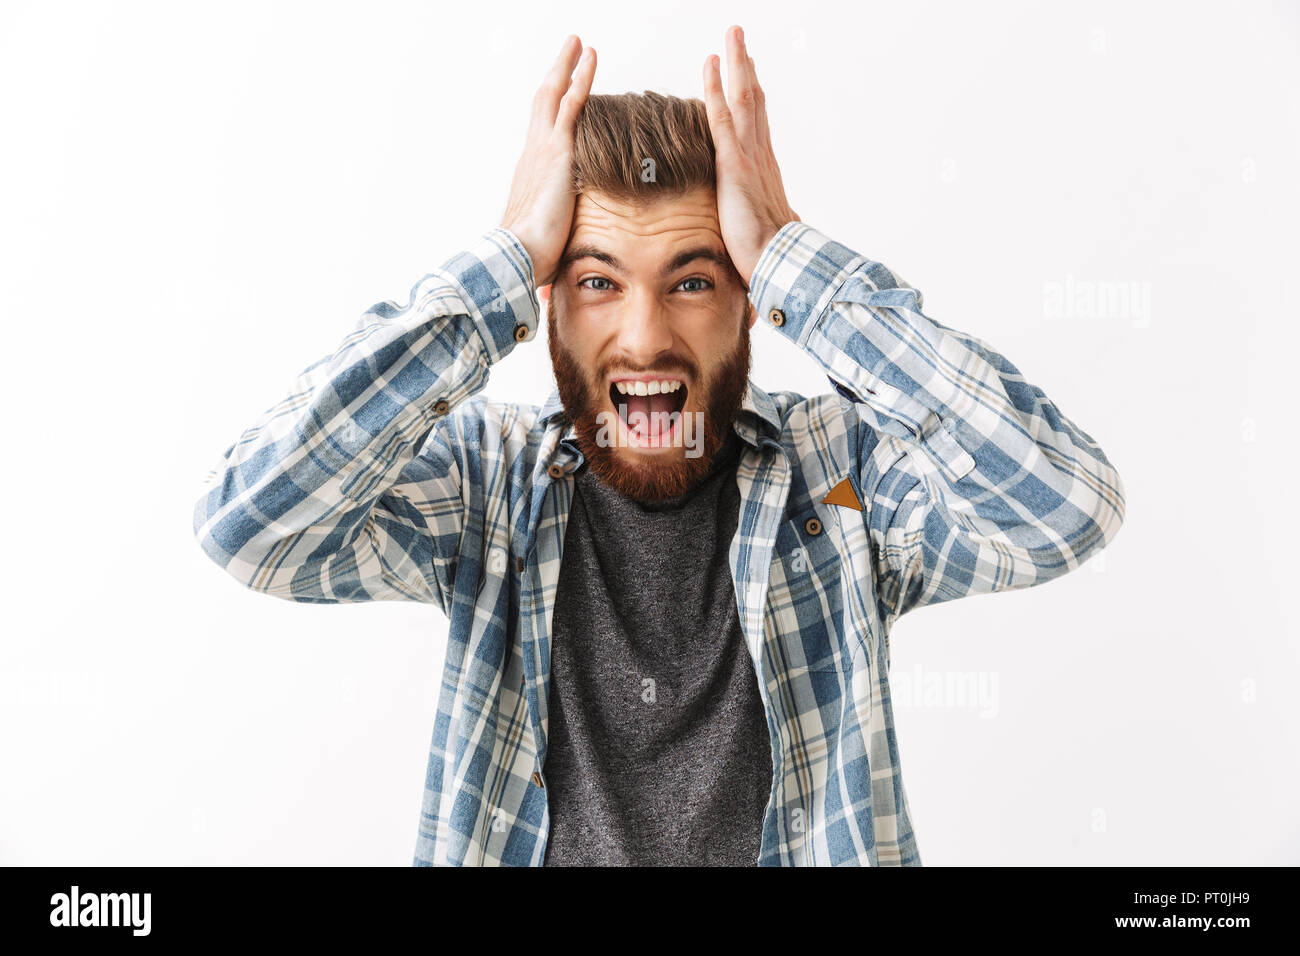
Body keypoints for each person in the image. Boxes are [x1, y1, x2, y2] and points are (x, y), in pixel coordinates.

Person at [192, 26, 1126, 866]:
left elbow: (1066, 507)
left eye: (692, 281)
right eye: (598, 282)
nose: (643, 337)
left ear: (752, 298)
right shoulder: (486, 487)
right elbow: (252, 525)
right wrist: (507, 259)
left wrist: (797, 254)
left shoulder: (844, 484)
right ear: (546, 306)